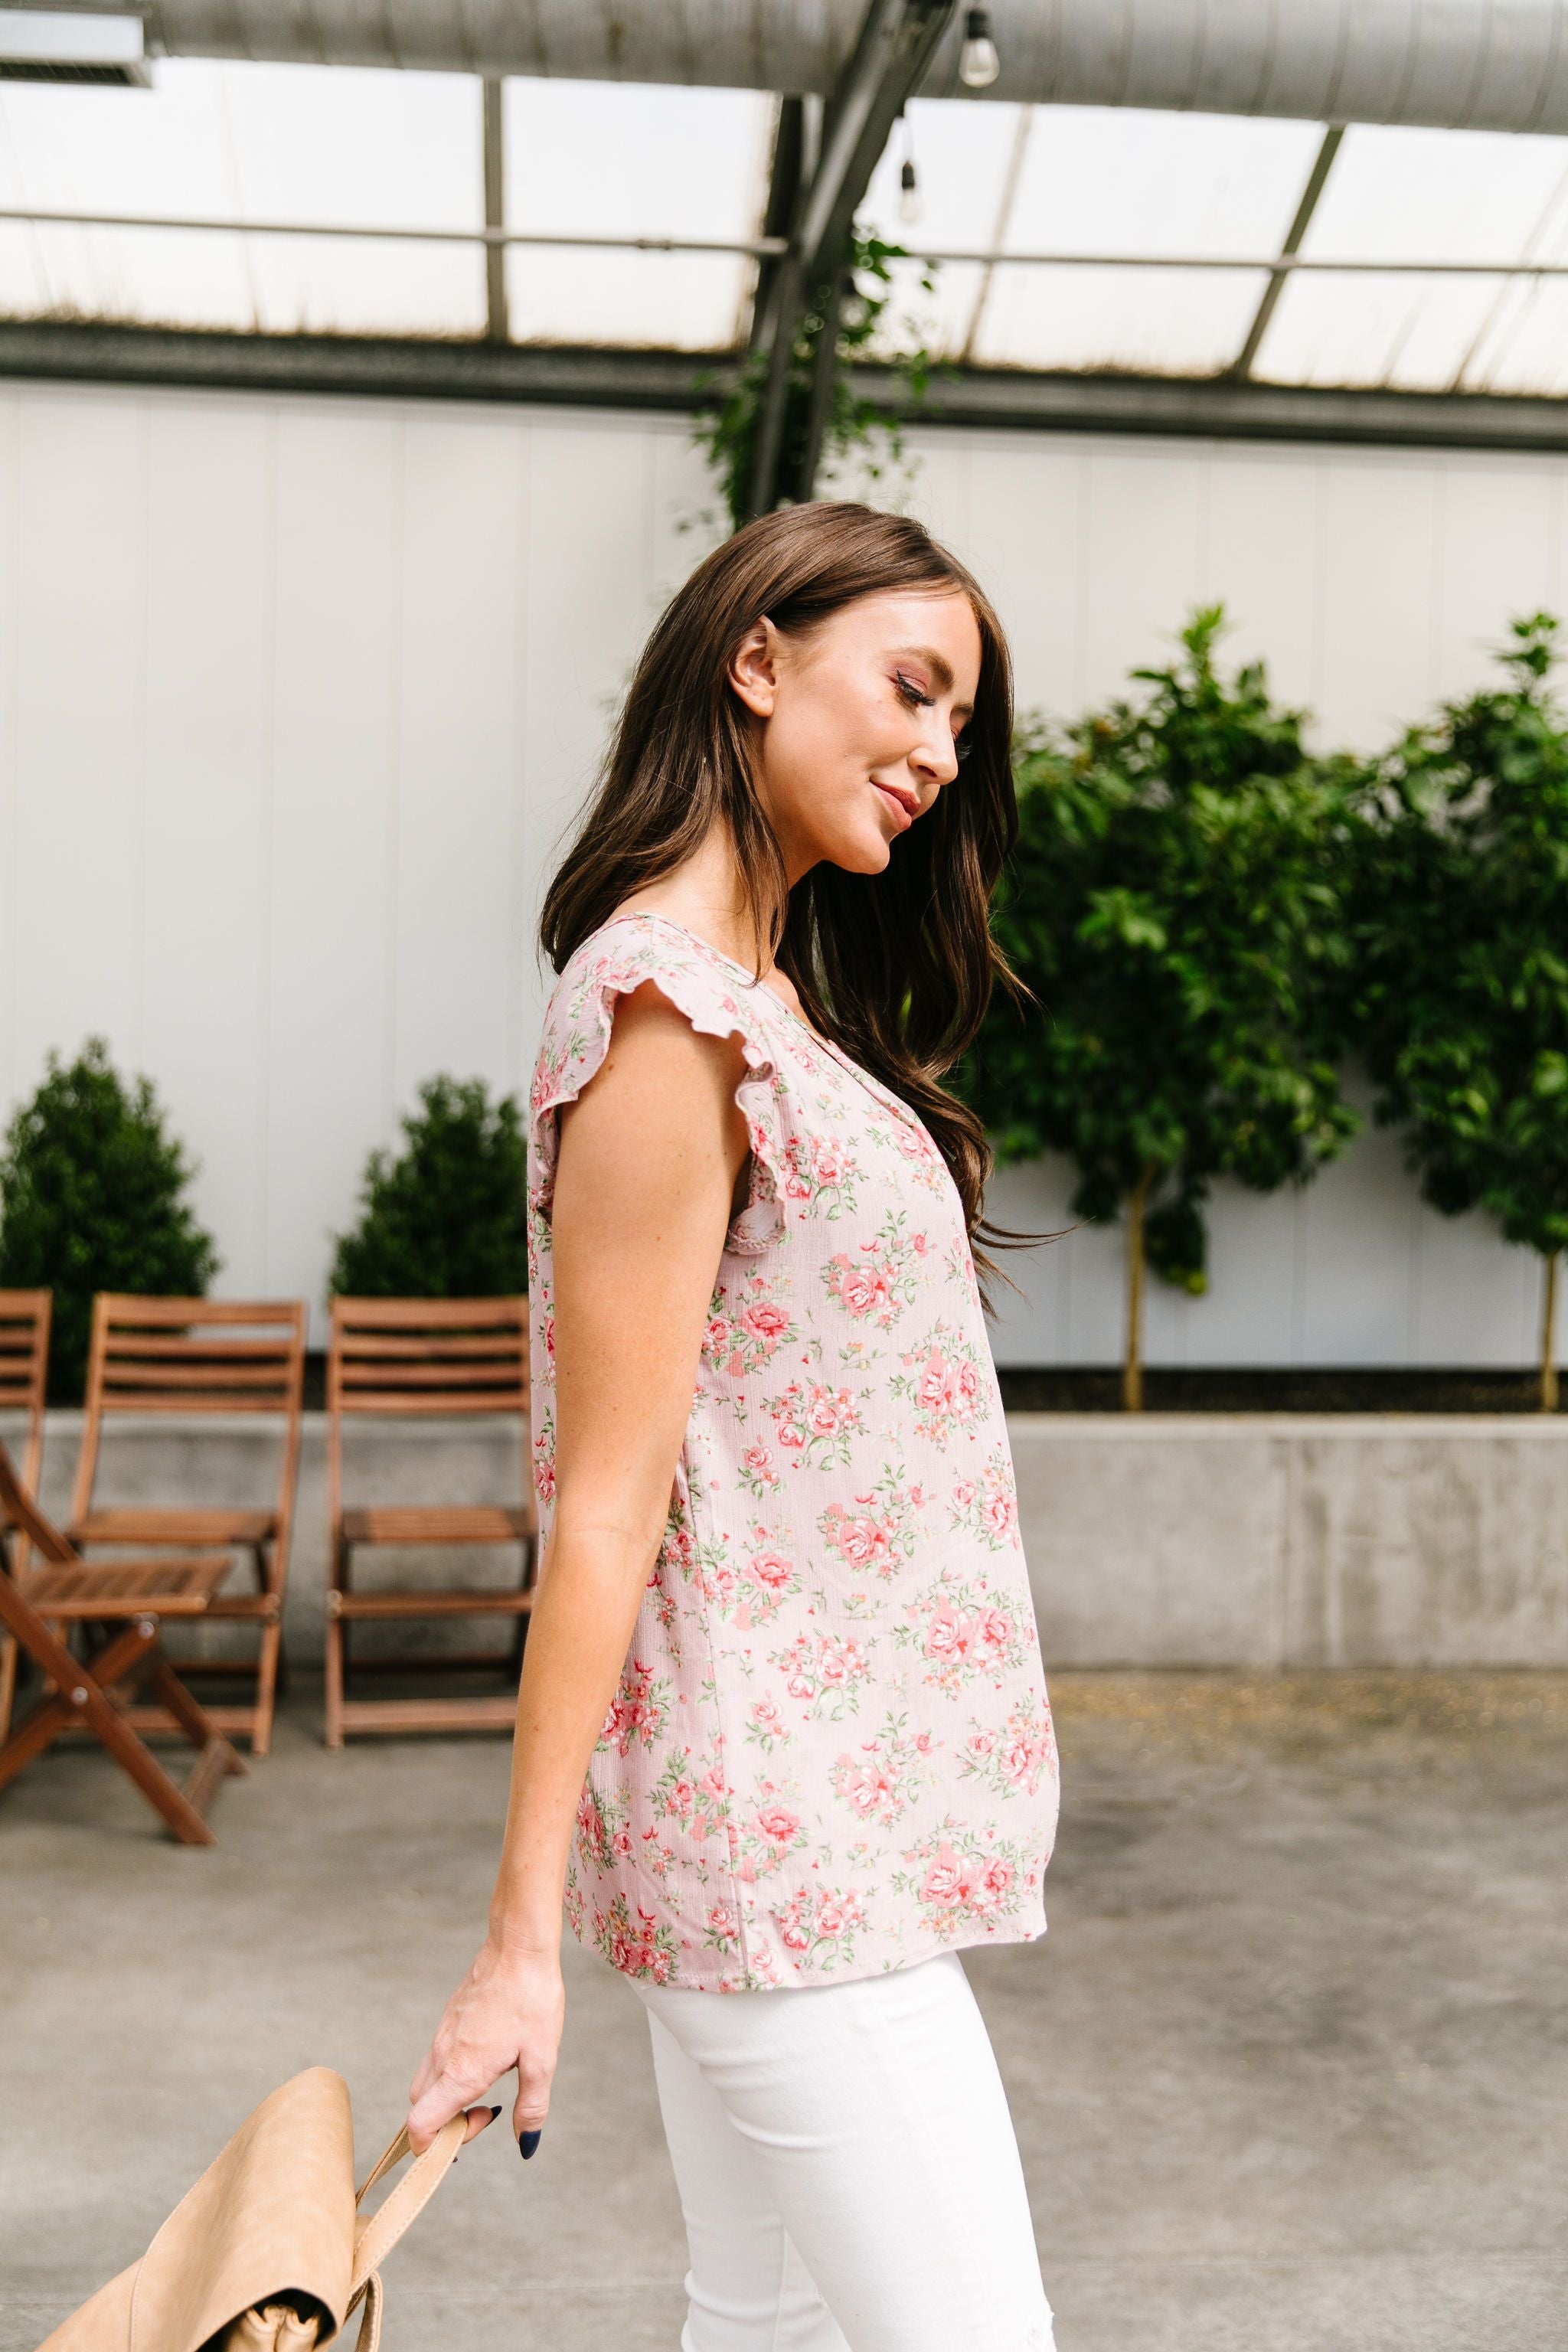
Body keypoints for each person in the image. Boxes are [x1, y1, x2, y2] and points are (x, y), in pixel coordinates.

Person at [407, 501, 1060, 2350]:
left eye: (961, 726)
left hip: (808, 1826)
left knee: (756, 2324)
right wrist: (514, 1948)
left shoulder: (757, 1000)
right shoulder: (664, 1015)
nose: (939, 754)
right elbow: (605, 1507)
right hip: (783, 1849)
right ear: (755, 659)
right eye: (912, 690)